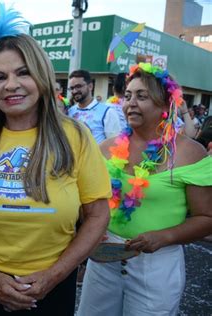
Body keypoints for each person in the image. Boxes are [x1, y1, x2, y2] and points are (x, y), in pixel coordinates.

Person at [0, 5, 111, 315]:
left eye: (23, 72)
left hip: (52, 291)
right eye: (0, 77)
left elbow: (97, 215)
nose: (11, 85)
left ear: (42, 76)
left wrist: (55, 275)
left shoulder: (75, 137)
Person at [77, 63, 212, 315]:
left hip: (156, 264)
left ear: (165, 105)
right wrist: (90, 226)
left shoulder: (190, 153)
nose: (130, 103)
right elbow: (89, 199)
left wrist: (164, 237)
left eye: (142, 96)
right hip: (104, 258)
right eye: (127, 96)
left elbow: (207, 218)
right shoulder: (105, 148)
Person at [68, 69, 122, 143]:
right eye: (72, 88)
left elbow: (115, 144)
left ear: (90, 86)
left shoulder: (107, 112)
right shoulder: (69, 112)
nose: (74, 91)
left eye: (78, 86)